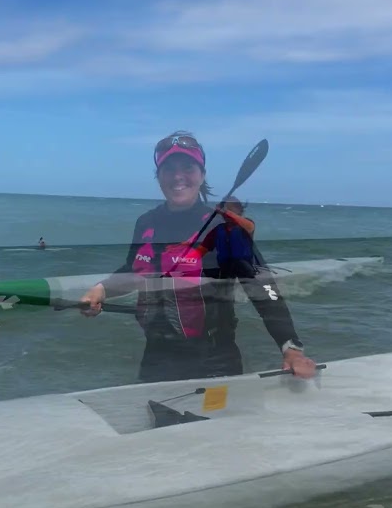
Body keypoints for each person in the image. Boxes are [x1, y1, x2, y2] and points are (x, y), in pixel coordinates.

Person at [77, 130, 317, 383]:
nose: (178, 176)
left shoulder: (225, 228)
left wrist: (291, 348)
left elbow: (263, 289)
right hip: (157, 359)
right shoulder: (146, 223)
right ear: (158, 176)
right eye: (169, 168)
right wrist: (100, 290)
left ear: (202, 175)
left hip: (214, 361)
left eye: (188, 167)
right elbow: (135, 270)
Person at [198, 195, 257, 279]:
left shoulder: (247, 225)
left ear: (240, 211)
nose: (227, 215)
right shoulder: (217, 230)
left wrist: (226, 211)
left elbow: (250, 227)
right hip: (225, 271)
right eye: (226, 210)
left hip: (246, 271)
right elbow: (200, 251)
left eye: (231, 210)